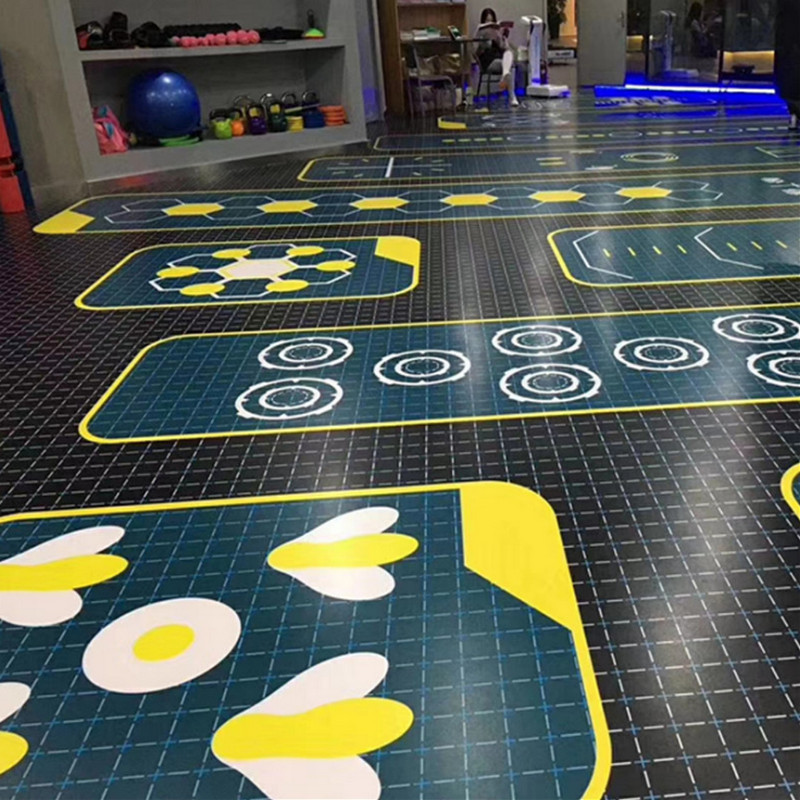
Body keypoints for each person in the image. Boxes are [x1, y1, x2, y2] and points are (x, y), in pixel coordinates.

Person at [473, 8, 518, 107]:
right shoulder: (479, 33)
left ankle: (505, 74)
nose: (489, 23)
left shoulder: (497, 32)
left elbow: (505, 48)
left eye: (491, 21)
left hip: (500, 59)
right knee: (509, 66)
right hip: (488, 62)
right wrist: (483, 43)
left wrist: (503, 37)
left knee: (509, 54)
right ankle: (512, 97)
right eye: (487, 21)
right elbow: (475, 52)